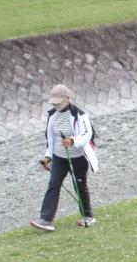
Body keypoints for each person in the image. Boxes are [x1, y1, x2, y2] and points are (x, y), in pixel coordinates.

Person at [30, 84, 98, 232]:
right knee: (53, 185)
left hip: (78, 157)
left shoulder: (80, 115)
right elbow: (51, 139)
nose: (55, 105)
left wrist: (72, 141)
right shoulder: (52, 115)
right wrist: (48, 157)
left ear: (67, 99)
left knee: (79, 186)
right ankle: (46, 219)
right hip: (59, 157)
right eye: (53, 102)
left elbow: (87, 135)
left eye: (58, 102)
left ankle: (88, 216)